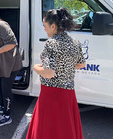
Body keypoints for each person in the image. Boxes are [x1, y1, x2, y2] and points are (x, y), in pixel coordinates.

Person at [26, 8, 86, 139]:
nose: (44, 29)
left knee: (48, 131)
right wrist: (66, 67)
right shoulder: (75, 42)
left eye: (45, 26)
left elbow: (48, 73)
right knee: (65, 130)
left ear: (53, 26)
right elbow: (81, 64)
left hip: (52, 95)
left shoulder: (51, 43)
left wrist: (35, 67)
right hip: (68, 94)